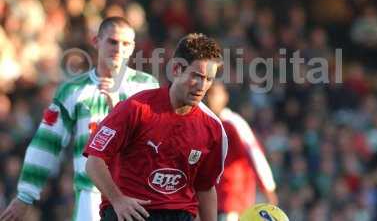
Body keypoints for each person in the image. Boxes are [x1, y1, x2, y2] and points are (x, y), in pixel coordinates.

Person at [0, 16, 159, 221]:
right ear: (96, 41)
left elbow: (155, 142)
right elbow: (46, 143)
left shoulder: (147, 87)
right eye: (112, 41)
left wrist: (118, 111)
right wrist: (25, 196)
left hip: (136, 194)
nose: (119, 48)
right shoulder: (73, 90)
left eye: (125, 43)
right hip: (90, 195)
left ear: (133, 47)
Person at [84, 33, 227, 221]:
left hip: (179, 215)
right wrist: (118, 200)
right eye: (196, 76)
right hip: (129, 212)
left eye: (209, 79)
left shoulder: (213, 128)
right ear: (176, 69)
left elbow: (205, 188)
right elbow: (94, 162)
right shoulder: (136, 108)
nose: (202, 86)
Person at [204, 81, 278, 221]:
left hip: (232, 201)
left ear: (225, 97)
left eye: (215, 94)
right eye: (208, 94)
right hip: (209, 201)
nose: (210, 98)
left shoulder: (234, 123)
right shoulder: (203, 123)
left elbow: (255, 154)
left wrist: (268, 188)